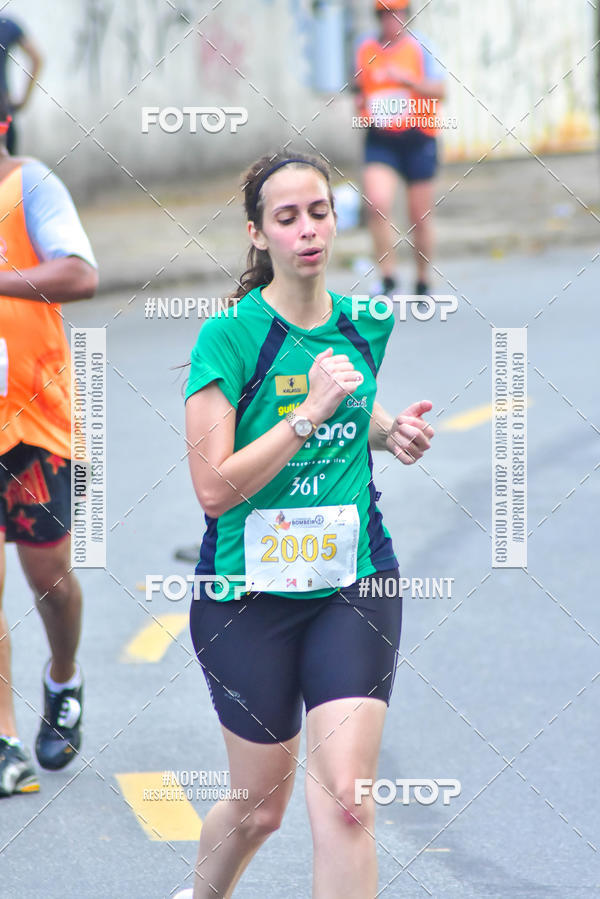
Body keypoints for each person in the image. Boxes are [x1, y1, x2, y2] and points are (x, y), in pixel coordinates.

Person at [182, 149, 434, 898]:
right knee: (261, 808)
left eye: (319, 212)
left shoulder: (366, 323)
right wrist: (306, 415)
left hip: (352, 584)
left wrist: (392, 432)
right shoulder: (227, 336)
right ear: (257, 234)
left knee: (350, 802)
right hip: (245, 598)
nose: (307, 230)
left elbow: (354, 413)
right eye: (286, 217)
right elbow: (212, 486)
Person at [0, 94, 98, 797]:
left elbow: (80, 274)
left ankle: (63, 675)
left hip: (33, 427)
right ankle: (4, 739)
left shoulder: (29, 186)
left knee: (49, 580)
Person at [355, 0, 446, 297]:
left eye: (397, 14)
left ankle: (422, 279)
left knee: (419, 217)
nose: (392, 21)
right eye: (385, 15)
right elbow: (359, 90)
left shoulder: (421, 47)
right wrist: (361, 105)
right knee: (377, 204)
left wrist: (411, 82)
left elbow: (441, 90)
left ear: (407, 16)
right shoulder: (365, 49)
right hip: (381, 139)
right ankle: (387, 276)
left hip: (418, 138)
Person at [0, 15, 43, 154]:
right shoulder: (7, 24)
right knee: (7, 172)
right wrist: (24, 100)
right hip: (3, 114)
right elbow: (37, 59)